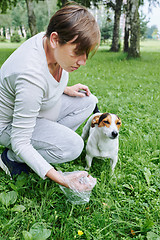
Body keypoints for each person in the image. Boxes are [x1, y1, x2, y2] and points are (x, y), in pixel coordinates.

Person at [0, 4, 100, 192]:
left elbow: (44, 81)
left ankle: (47, 142)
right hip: (10, 126)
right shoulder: (29, 76)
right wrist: (63, 179)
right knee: (73, 146)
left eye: (86, 54)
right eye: (77, 52)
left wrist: (65, 88)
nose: (82, 61)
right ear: (55, 39)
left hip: (35, 110)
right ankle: (10, 158)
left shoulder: (49, 41)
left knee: (88, 100)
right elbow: (20, 141)